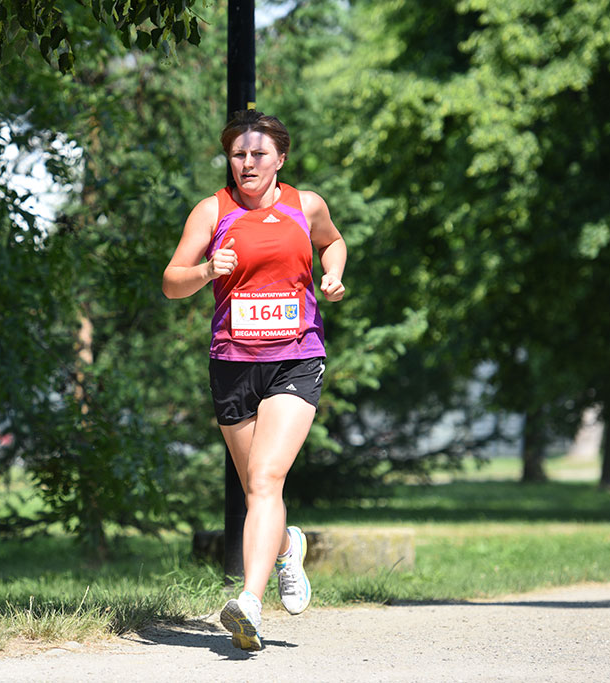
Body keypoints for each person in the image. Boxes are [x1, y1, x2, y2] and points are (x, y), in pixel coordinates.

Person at [162, 109, 346, 651]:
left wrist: (333, 274)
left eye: (258, 154)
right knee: (256, 488)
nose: (247, 163)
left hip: (295, 357)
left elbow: (332, 242)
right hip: (232, 363)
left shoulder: (303, 204)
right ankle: (287, 545)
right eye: (238, 154)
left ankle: (249, 603)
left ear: (280, 159)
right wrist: (205, 272)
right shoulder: (211, 210)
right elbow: (172, 282)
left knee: (265, 480)